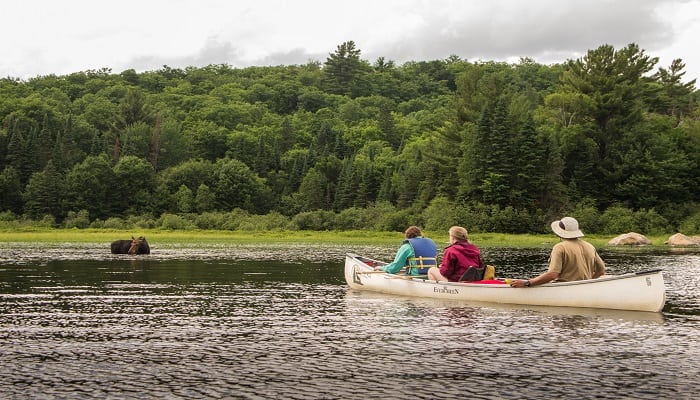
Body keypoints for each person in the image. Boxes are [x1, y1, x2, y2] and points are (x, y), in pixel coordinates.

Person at [510, 217, 605, 288]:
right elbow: (601, 271)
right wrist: (586, 282)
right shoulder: (589, 246)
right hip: (583, 288)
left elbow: (552, 274)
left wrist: (527, 283)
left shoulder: (560, 247)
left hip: (562, 287)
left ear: (559, 233)